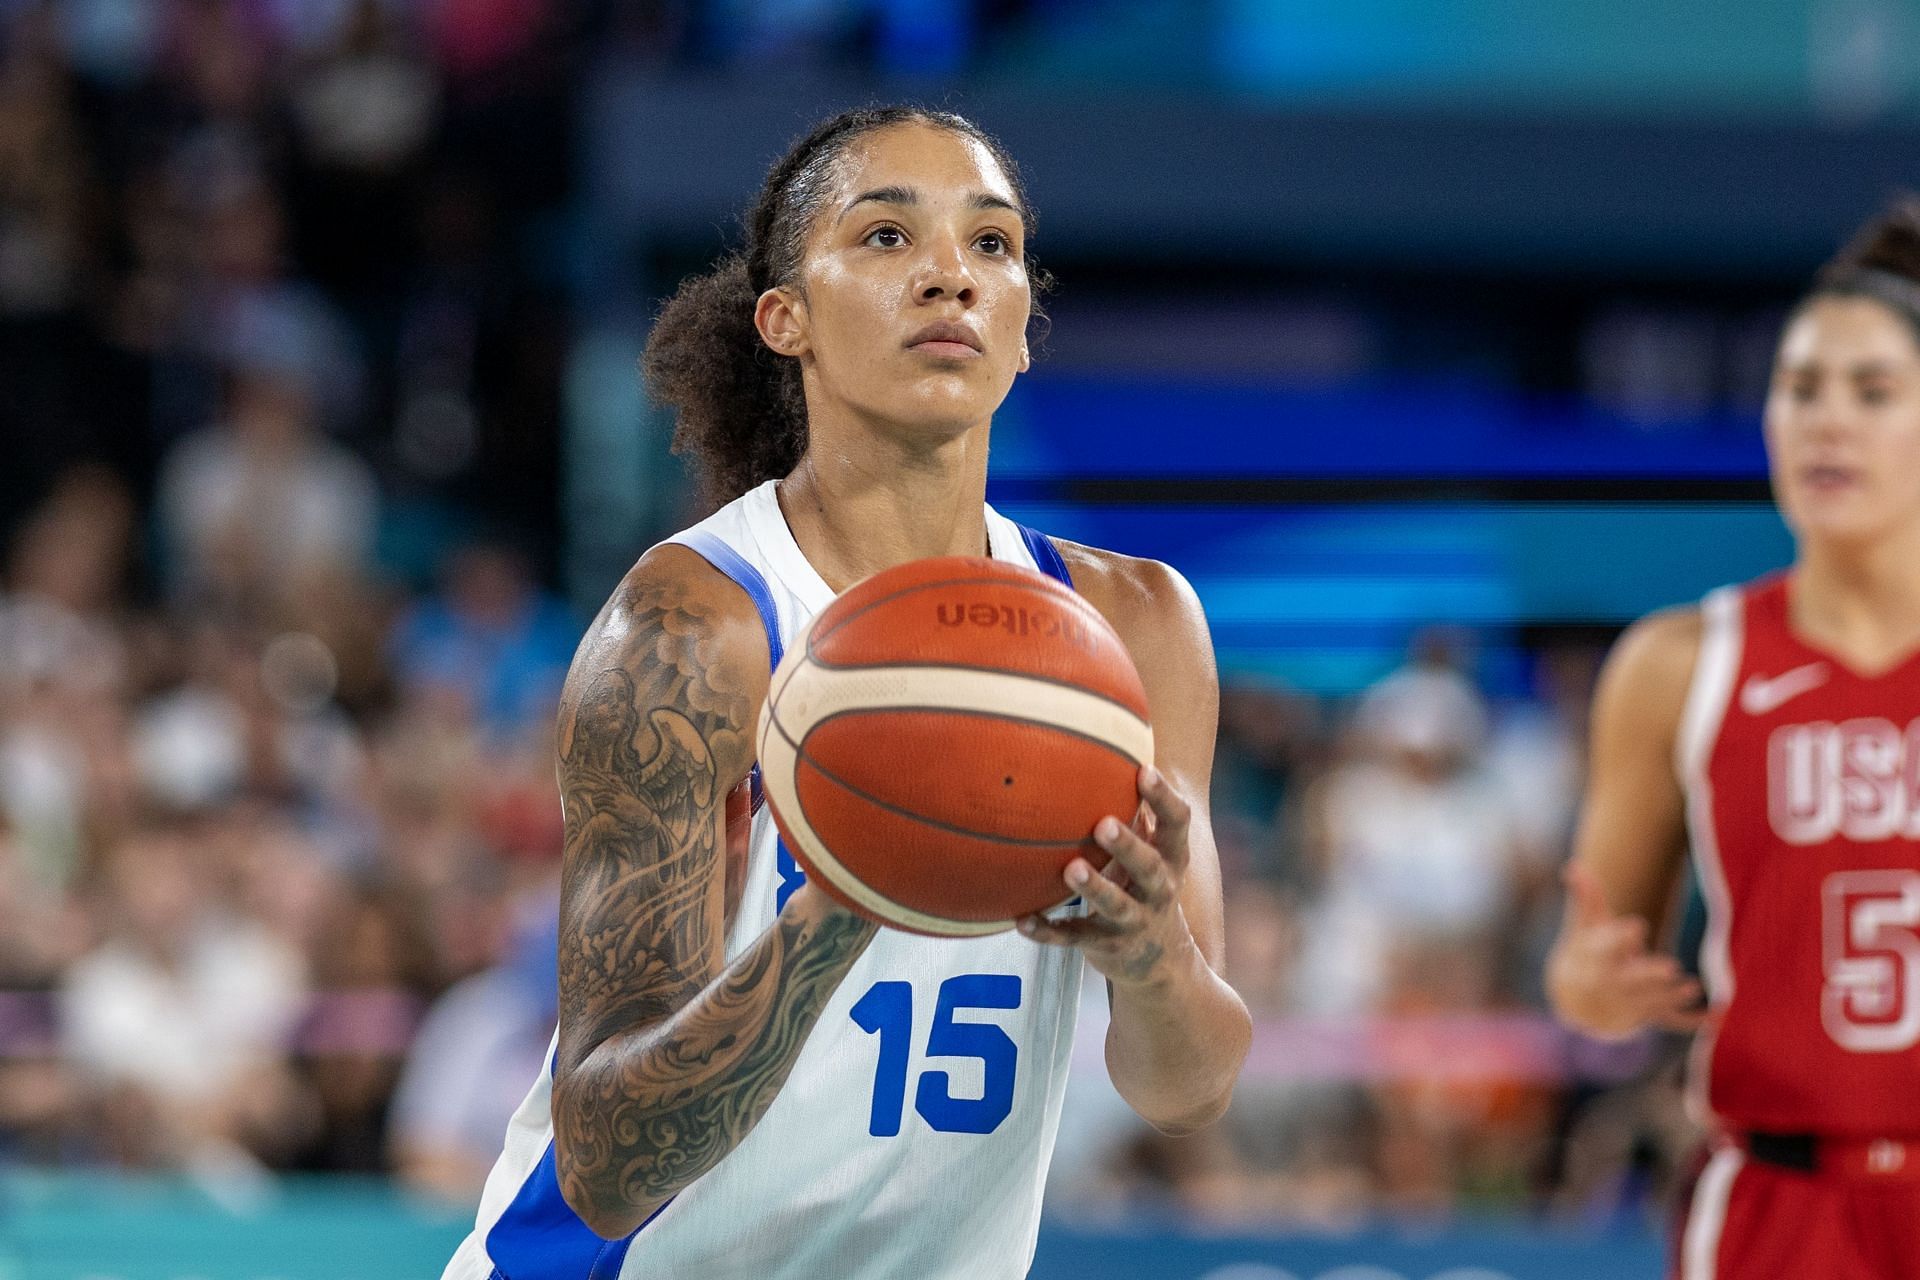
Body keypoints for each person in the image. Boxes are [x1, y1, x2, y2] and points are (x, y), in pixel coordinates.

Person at [440, 106, 1251, 1279]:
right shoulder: (695, 629)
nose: (948, 278)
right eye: (884, 237)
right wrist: (838, 910)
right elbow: (606, 1163)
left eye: (992, 244)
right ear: (787, 319)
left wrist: (1150, 950)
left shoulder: (1135, 626)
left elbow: (1193, 1086)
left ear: (1025, 332)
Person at [1546, 201, 1920, 1278]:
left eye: (1871, 391)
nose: (1825, 422)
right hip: (1781, 1199)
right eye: (1798, 388)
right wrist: (1592, 984)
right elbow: (1592, 964)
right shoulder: (1682, 661)